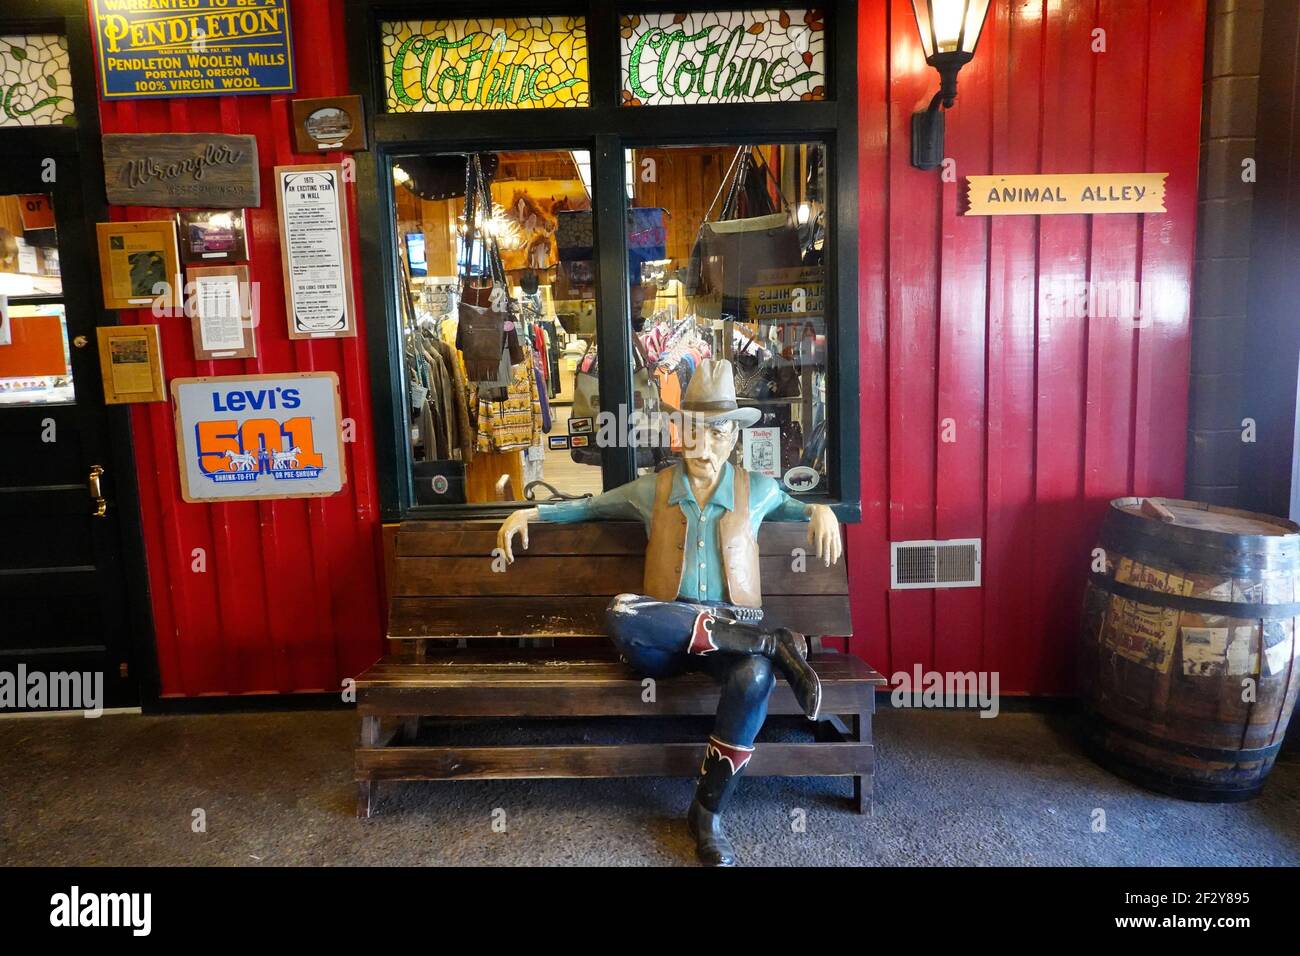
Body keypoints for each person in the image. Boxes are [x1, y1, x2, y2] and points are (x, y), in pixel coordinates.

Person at [497, 359, 842, 866]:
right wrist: (532, 511)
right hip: (665, 635)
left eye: (718, 435)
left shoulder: (759, 490)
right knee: (622, 611)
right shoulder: (652, 489)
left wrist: (823, 509)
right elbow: (590, 506)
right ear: (681, 432)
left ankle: (707, 814)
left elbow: (798, 504)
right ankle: (772, 643)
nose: (705, 450)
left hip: (732, 640)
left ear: (734, 437)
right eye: (696, 433)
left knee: (755, 680)